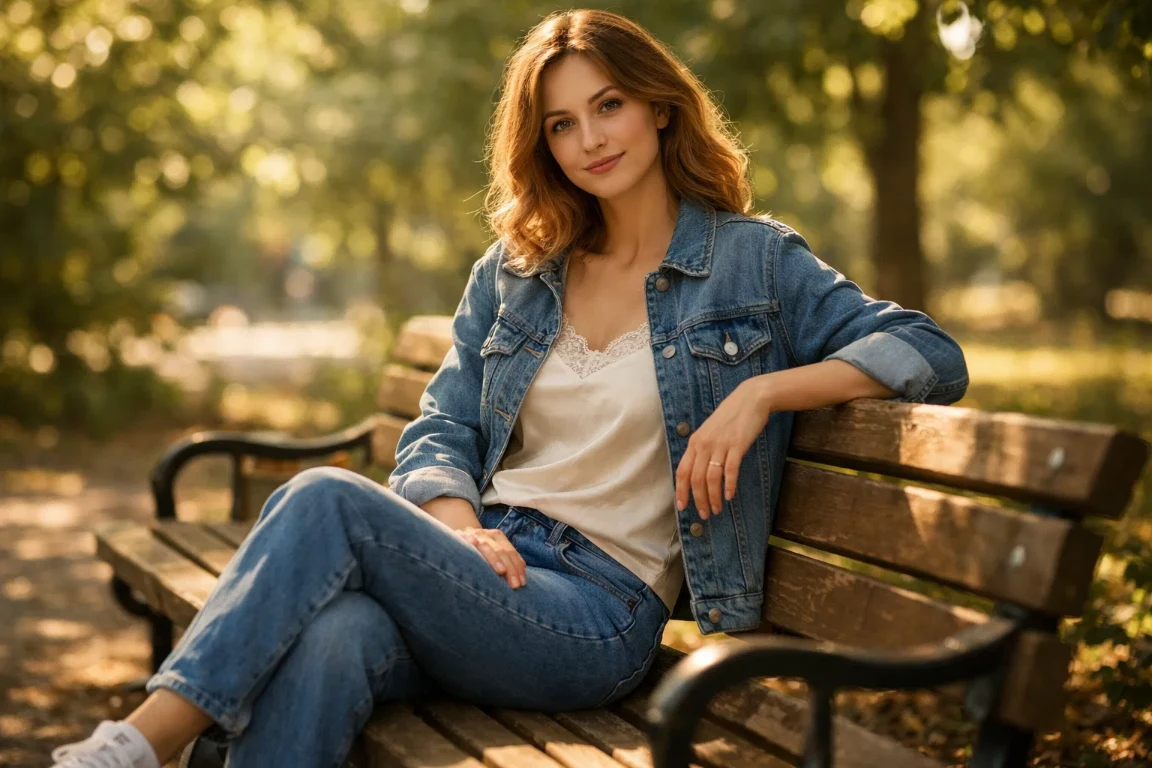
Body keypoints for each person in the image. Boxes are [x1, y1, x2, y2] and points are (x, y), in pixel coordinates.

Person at [51, 8, 968, 768]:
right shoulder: (520, 271)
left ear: (658, 106)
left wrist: (760, 395)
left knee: (324, 497)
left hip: (598, 612)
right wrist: (461, 528)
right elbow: (442, 427)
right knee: (335, 640)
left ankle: (136, 746)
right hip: (487, 566)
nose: (589, 139)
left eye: (607, 106)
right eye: (561, 124)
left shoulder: (752, 262)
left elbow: (928, 352)